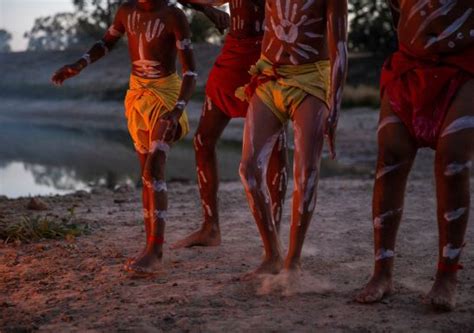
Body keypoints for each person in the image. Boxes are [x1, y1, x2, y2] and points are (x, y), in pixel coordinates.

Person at [51, 0, 222, 274]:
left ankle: (155, 251)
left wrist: (176, 112)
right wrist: (79, 64)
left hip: (166, 97)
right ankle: (149, 246)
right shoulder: (125, 11)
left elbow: (190, 72)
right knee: (146, 174)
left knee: (155, 168)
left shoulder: (173, 15)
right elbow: (106, 43)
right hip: (136, 96)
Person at [356, 0, 474, 311]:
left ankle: (447, 275)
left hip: (464, 66)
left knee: (453, 161)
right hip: (409, 65)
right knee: (390, 158)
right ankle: (382, 272)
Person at [237, 0, 348, 277]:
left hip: (310, 80)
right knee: (249, 170)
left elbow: (340, 49)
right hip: (270, 76)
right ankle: (272, 254)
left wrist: (334, 106)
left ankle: (293, 260)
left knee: (306, 172)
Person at [172, 0, 289, 249]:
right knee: (203, 140)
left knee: (276, 143)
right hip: (234, 53)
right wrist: (207, 9)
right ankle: (210, 227)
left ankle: (274, 233)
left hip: (268, 56)